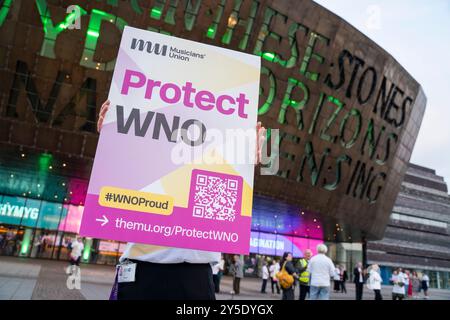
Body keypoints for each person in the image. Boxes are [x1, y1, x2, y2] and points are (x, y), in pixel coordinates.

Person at [98, 100, 266, 299]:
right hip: (142, 266)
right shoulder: (153, 135)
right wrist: (113, 141)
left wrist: (244, 166)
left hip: (195, 272)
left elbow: (226, 207)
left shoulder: (216, 144)